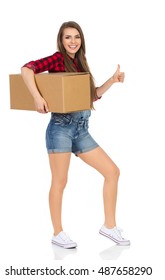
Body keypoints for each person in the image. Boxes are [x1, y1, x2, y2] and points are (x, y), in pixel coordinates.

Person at [21, 21, 130, 249]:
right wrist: (37, 97)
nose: (73, 41)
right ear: (61, 41)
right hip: (60, 127)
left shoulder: (80, 62)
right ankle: (57, 233)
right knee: (60, 181)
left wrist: (112, 80)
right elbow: (27, 68)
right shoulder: (58, 58)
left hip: (81, 129)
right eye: (68, 37)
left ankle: (109, 227)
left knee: (112, 172)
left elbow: (90, 97)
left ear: (81, 40)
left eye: (76, 37)